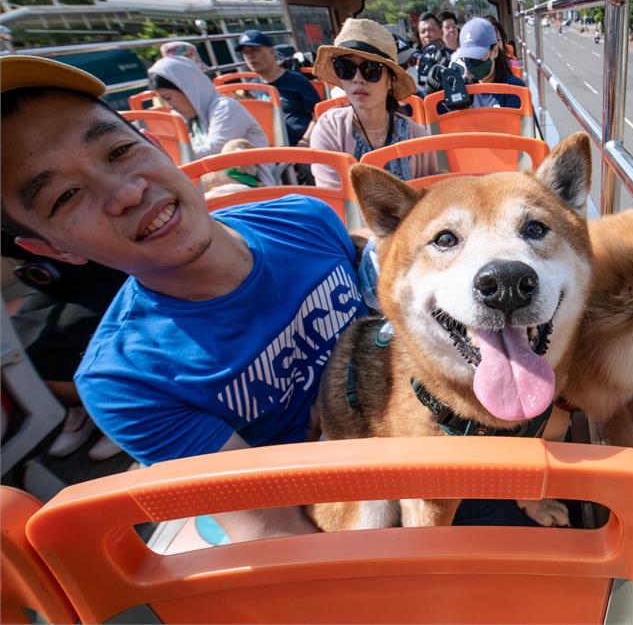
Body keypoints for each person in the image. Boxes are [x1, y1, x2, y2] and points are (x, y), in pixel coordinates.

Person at [1, 55, 369, 541]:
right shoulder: (129, 379)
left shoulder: (304, 218)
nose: (126, 192)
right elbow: (274, 528)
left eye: (117, 152)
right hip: (350, 514)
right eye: (66, 197)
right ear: (50, 249)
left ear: (155, 144)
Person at [4, 233, 126, 460]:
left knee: (64, 335)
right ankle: (81, 406)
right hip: (53, 271)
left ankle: (120, 406)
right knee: (18, 340)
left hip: (105, 264)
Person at [310, 19, 438, 184]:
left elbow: (426, 200)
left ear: (390, 80)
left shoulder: (417, 136)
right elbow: (333, 201)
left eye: (371, 70)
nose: (358, 79)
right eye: (346, 67)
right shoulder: (329, 129)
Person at [147, 55, 275, 183]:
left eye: (168, 98)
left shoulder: (225, 108)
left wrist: (169, 155)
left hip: (252, 185)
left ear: (188, 90)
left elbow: (213, 153)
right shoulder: (193, 119)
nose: (170, 106)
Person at [236, 29, 321, 148]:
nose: (250, 56)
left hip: (301, 146)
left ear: (271, 52)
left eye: (255, 50)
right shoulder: (252, 88)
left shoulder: (297, 81)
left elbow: (318, 114)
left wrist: (305, 141)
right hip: (269, 148)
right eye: (245, 53)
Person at [451, 17, 527, 109]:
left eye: (478, 55)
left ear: (494, 51)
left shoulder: (514, 89)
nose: (472, 63)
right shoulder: (463, 91)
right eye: (467, 58)